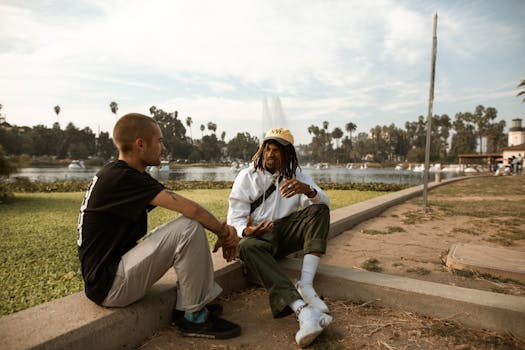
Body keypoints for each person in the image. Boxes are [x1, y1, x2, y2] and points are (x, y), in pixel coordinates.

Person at [77, 113, 241, 339]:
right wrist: (224, 232)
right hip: (110, 285)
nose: (163, 148)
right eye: (160, 141)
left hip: (109, 276)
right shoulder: (123, 178)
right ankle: (193, 319)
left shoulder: (121, 174)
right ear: (140, 144)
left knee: (186, 228)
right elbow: (191, 209)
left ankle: (192, 304)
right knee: (188, 227)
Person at [227, 127, 332, 348]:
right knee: (246, 247)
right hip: (258, 238)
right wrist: (247, 231)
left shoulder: (296, 177)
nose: (271, 155)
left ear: (287, 155)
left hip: (283, 235)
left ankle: (305, 284)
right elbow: (234, 220)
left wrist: (308, 191)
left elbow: (324, 204)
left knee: (320, 209)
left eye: (277, 151)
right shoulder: (247, 177)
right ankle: (302, 310)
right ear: (262, 150)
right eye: (268, 149)